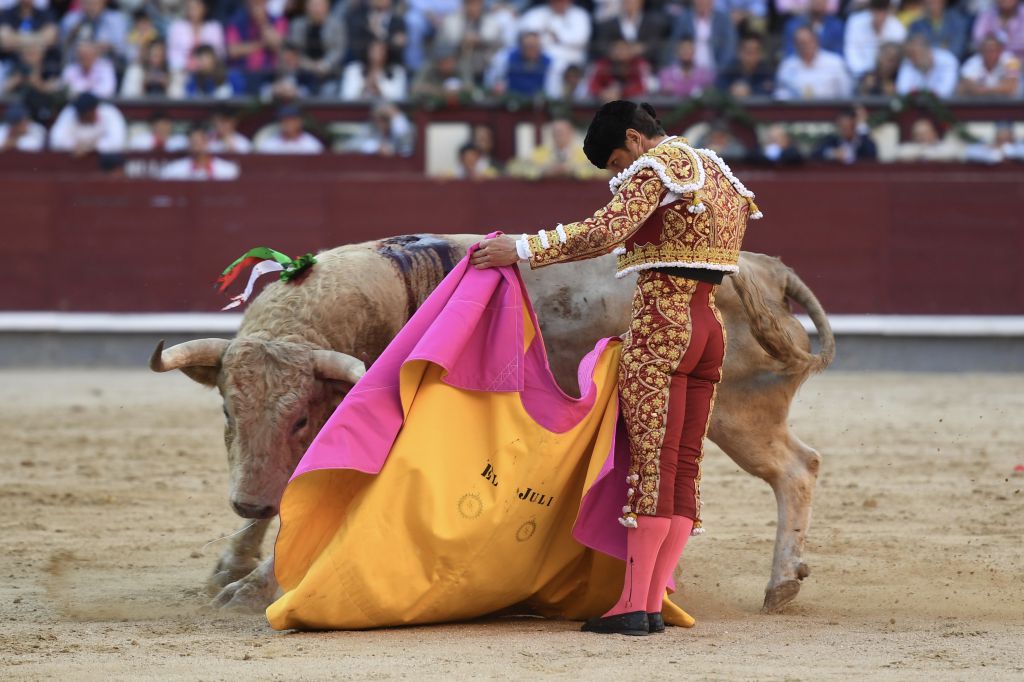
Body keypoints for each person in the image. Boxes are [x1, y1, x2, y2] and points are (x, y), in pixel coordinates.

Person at [471, 100, 760, 636]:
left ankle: (633, 604)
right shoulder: (717, 171)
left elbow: (605, 231)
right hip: (708, 328)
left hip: (661, 325)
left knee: (653, 466)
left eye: (616, 163)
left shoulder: (657, 167)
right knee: (683, 466)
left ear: (634, 138)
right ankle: (651, 602)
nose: (620, 172)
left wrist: (525, 248)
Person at [775, 25, 853, 99]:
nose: (805, 46)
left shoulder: (835, 63)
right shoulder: (787, 66)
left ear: (816, 41)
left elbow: (846, 92)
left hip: (831, 107)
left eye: (808, 42)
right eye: (801, 43)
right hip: (796, 108)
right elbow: (781, 93)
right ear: (795, 45)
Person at [591, 0, 670, 69]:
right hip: (614, 69)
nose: (629, 2)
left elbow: (655, 45)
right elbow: (601, 45)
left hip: (644, 68)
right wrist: (617, 51)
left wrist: (638, 50)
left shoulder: (652, 24)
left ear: (641, 2)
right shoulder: (608, 24)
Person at [287, 0, 344, 95]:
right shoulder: (297, 25)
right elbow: (294, 51)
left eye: (319, 5)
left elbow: (338, 50)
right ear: (307, 7)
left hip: (329, 73)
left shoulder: (336, 26)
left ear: (327, 7)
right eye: (313, 5)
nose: (316, 9)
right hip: (302, 72)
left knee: (329, 91)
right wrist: (309, 65)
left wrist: (325, 64)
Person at [844, 0, 907, 79]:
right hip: (860, 75)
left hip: (889, 76)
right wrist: (864, 74)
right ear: (870, 10)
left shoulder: (898, 28)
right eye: (876, 11)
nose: (879, 16)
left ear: (888, 11)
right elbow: (851, 53)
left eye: (882, 11)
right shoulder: (855, 22)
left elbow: (898, 59)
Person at [670, 0, 737, 74]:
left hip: (716, 68)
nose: (702, 2)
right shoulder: (684, 19)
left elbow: (729, 46)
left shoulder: (723, 20)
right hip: (688, 71)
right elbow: (675, 45)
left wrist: (721, 69)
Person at [49, 91, 126, 155]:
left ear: (94, 110)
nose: (84, 117)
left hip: (104, 162)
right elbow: (56, 141)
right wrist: (74, 146)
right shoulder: (70, 113)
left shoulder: (110, 113)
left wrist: (91, 146)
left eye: (87, 114)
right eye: (82, 114)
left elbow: (117, 143)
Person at [167, 0, 226, 74]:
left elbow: (220, 53)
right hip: (183, 71)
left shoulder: (214, 27)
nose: (194, 9)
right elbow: (173, 55)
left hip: (210, 70)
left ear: (205, 8)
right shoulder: (176, 27)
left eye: (197, 6)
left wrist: (204, 63)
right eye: (191, 7)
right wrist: (187, 65)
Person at [161, 124, 241, 180]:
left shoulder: (228, 170)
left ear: (207, 142)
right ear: (188, 144)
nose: (197, 145)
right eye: (193, 142)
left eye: (200, 141)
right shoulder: (174, 170)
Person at [340, 38, 407, 101]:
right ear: (367, 51)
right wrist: (364, 86)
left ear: (387, 52)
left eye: (381, 50)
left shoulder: (397, 71)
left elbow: (399, 99)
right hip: (357, 109)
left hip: (385, 108)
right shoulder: (353, 69)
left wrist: (379, 90)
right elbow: (346, 97)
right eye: (373, 50)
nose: (377, 54)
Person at [895, 33, 959, 98]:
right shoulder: (908, 62)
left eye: (914, 53)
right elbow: (902, 91)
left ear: (928, 51)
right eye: (909, 55)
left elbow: (945, 92)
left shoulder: (947, 59)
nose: (912, 59)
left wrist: (918, 94)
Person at [587, 38, 652, 101]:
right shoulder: (602, 64)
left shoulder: (639, 64)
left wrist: (621, 93)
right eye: (617, 49)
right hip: (607, 97)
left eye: (624, 49)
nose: (620, 52)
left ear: (631, 51)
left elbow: (643, 86)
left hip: (631, 100)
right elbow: (592, 85)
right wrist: (603, 93)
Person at [958, 33, 1022, 96]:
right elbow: (964, 84)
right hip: (981, 100)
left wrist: (985, 90)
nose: (989, 53)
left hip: (1008, 101)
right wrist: (977, 89)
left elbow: (1011, 86)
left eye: (992, 50)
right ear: (981, 51)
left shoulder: (1012, 61)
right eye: (986, 50)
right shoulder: (973, 62)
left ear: (1000, 51)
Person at [715, 33, 775, 97]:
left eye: (754, 52)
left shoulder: (766, 70)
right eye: (748, 52)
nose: (751, 57)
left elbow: (769, 88)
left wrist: (750, 90)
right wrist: (731, 89)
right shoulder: (731, 67)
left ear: (760, 54)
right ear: (739, 53)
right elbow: (719, 84)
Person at [255, 104, 324, 154]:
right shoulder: (270, 144)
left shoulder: (312, 144)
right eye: (284, 120)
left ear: (300, 122)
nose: (288, 124)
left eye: (292, 120)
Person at [894, 117, 963, 161]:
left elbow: (951, 153)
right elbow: (899, 153)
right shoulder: (909, 147)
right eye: (918, 134)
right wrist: (922, 150)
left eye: (925, 133)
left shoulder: (946, 146)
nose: (922, 137)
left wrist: (924, 153)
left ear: (934, 133)